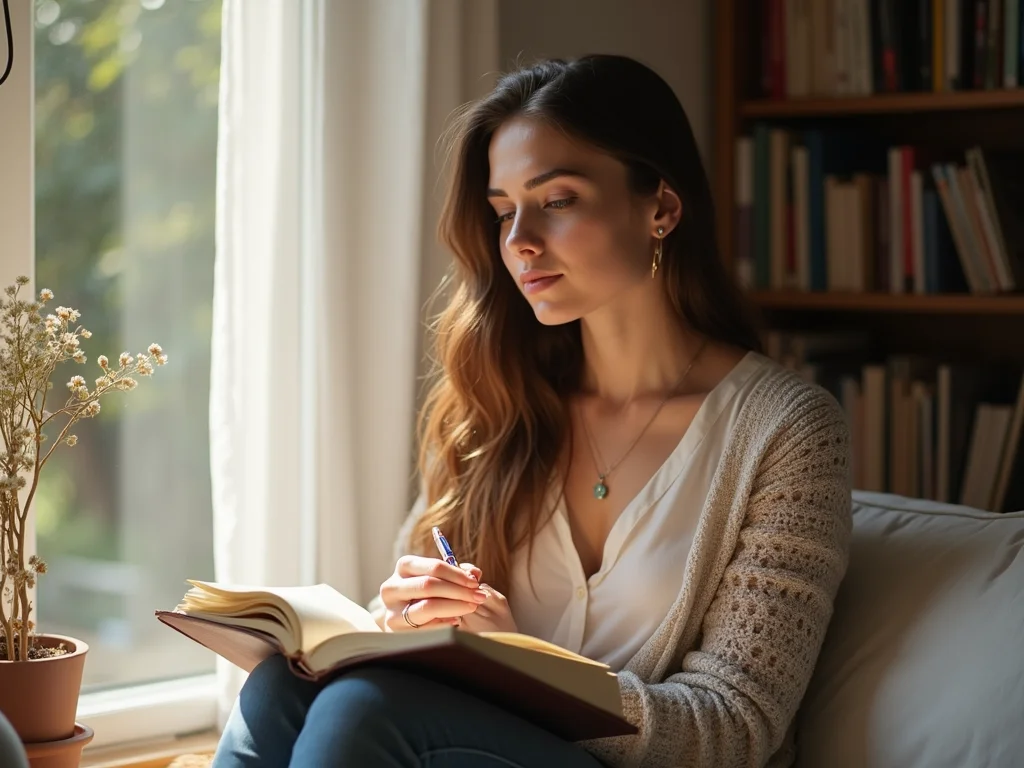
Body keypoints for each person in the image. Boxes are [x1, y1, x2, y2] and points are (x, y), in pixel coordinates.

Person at [212, 53, 852, 768]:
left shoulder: (787, 429)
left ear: (661, 209)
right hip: (473, 748)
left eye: (558, 200)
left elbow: (735, 728)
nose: (519, 241)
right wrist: (402, 620)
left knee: (363, 709)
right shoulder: (496, 401)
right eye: (502, 212)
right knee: (281, 687)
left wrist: (516, 663)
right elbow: (415, 623)